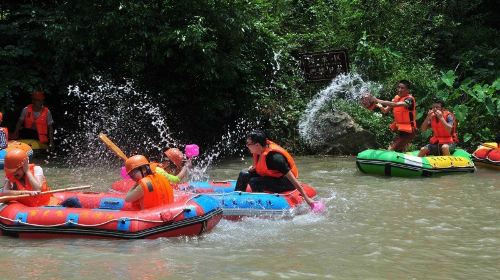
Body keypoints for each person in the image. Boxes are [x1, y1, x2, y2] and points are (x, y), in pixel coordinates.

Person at [234, 129, 314, 207]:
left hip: (286, 183)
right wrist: (254, 168)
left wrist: (306, 198)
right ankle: (235, 200)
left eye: (248, 144)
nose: (247, 146)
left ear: (257, 145)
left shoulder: (275, 158)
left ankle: (260, 205)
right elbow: (263, 167)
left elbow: (293, 179)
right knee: (244, 174)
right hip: (272, 177)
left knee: (255, 181)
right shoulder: (259, 151)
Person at [370, 80, 417, 152]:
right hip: (400, 130)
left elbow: (394, 105)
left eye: (402, 88)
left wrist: (378, 100)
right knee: (398, 149)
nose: (399, 90)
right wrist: (380, 106)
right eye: (398, 87)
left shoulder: (409, 100)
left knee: (391, 149)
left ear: (407, 90)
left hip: (409, 131)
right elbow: (385, 111)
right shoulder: (396, 98)